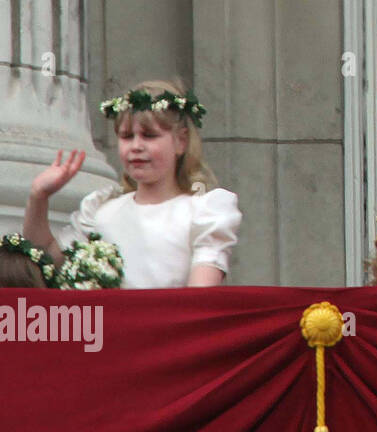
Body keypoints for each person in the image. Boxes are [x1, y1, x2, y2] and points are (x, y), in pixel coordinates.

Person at [22, 79, 239, 288]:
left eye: (149, 135)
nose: (136, 146)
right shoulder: (101, 210)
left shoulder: (203, 211)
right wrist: (39, 196)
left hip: (171, 323)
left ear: (180, 141)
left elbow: (200, 299)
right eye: (126, 136)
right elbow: (42, 263)